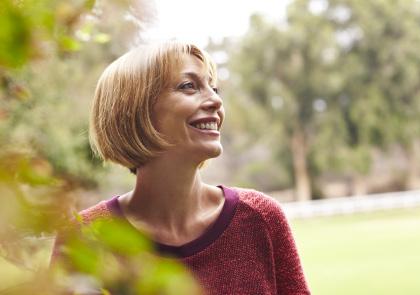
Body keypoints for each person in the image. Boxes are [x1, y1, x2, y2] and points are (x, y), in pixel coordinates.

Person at [52, 41, 310, 295]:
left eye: (214, 88)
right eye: (189, 86)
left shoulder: (260, 218)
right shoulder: (84, 239)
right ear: (135, 110)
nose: (215, 101)